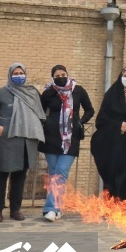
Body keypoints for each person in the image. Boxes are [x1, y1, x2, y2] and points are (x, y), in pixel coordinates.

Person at [0, 63, 46, 221]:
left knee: (20, 176)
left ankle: (15, 209)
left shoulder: (32, 93)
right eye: (15, 73)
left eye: (21, 73)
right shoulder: (1, 93)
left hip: (26, 141)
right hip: (6, 140)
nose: (19, 76)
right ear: (10, 75)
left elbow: (40, 114)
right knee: (0, 176)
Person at [39, 65, 94, 221]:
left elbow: (90, 110)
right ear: (53, 77)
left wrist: (80, 122)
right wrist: (46, 123)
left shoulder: (78, 90)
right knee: (53, 174)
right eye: (57, 76)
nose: (61, 77)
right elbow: (40, 112)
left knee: (61, 172)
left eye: (63, 74)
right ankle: (58, 208)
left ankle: (50, 208)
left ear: (68, 75)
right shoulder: (48, 93)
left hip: (70, 139)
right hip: (51, 138)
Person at [90, 67, 126, 201]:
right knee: (111, 171)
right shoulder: (111, 95)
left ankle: (123, 203)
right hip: (112, 140)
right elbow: (102, 118)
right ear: (120, 77)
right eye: (125, 76)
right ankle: (109, 203)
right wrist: (118, 125)